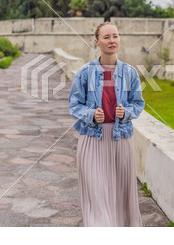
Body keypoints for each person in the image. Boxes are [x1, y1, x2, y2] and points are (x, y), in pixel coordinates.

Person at [68, 22, 145, 227]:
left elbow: (138, 104)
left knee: (122, 195)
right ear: (96, 42)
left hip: (121, 140)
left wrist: (126, 112)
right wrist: (91, 114)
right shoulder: (85, 73)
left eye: (115, 36)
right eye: (106, 37)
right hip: (93, 140)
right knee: (96, 196)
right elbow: (74, 104)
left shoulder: (130, 73)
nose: (112, 41)